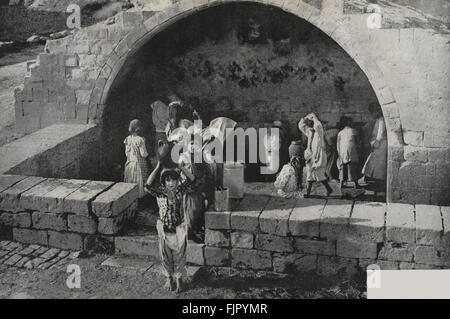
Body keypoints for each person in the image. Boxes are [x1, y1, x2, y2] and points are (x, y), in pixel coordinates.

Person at [144, 161, 195, 294]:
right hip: (164, 228)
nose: (171, 183)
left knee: (180, 255)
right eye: (168, 180)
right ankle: (169, 278)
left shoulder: (180, 190)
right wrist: (158, 166)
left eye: (174, 180)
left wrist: (180, 166)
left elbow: (192, 179)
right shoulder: (160, 193)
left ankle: (179, 279)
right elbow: (147, 186)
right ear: (164, 182)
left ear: (178, 181)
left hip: (178, 228)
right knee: (165, 256)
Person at [298, 113, 333, 198]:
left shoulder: (319, 132)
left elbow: (318, 125)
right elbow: (301, 126)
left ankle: (328, 189)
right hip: (310, 154)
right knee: (309, 173)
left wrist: (314, 117)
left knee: (319, 173)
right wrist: (305, 118)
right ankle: (309, 193)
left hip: (318, 155)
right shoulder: (310, 132)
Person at [361, 111, 387, 195]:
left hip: (380, 145)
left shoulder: (381, 120)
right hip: (378, 144)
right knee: (375, 165)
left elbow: (380, 135)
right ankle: (374, 182)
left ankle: (379, 185)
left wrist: (374, 144)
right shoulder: (378, 120)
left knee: (378, 166)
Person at [123, 119, 150, 198]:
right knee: (138, 180)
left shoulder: (128, 139)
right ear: (139, 128)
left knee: (130, 180)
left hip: (129, 163)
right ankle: (139, 197)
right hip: (138, 164)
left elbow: (126, 153)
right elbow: (143, 154)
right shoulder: (140, 140)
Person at [336, 116, 360, 189]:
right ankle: (356, 184)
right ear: (349, 123)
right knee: (353, 167)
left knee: (342, 168)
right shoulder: (354, 131)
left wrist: (339, 153)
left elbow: (338, 144)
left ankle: (341, 183)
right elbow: (358, 142)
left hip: (342, 152)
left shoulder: (340, 133)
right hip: (352, 151)